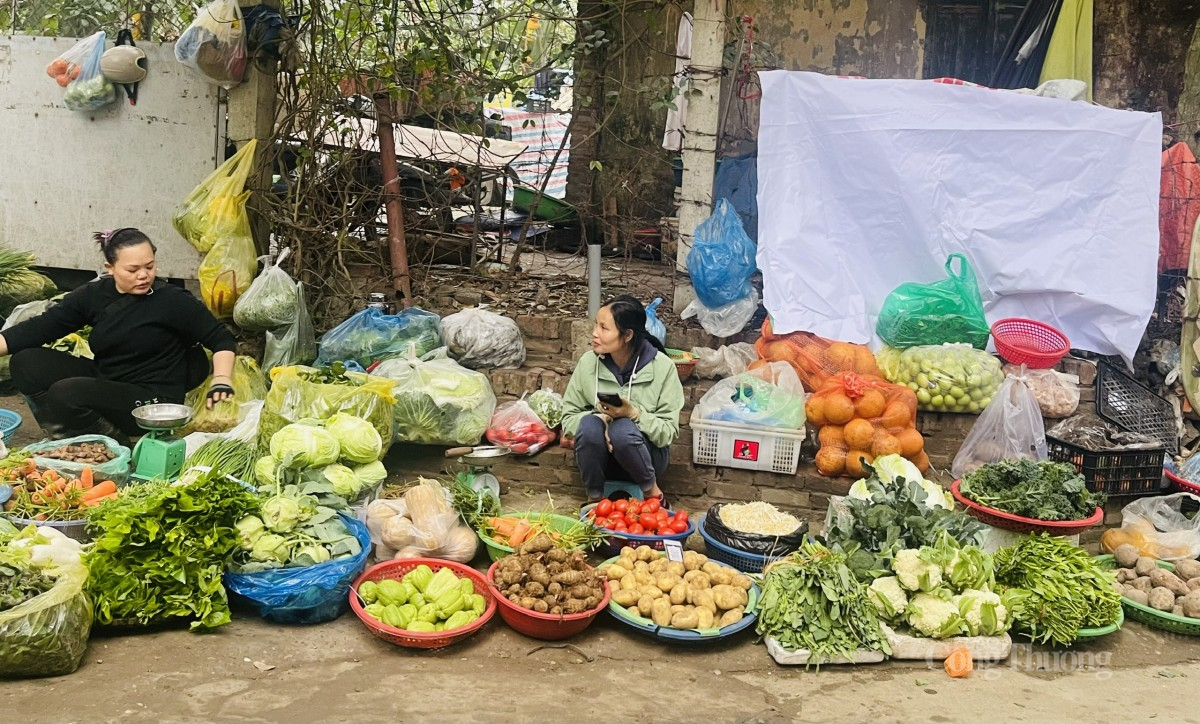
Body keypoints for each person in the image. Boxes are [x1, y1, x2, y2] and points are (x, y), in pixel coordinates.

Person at [0, 228, 238, 440]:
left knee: (67, 393)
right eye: (133, 270)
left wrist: (222, 379)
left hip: (152, 398)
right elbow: (41, 327)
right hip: (110, 380)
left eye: (150, 266)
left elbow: (220, 338)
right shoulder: (94, 295)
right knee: (26, 362)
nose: (143, 275)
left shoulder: (172, 300)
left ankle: (116, 447)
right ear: (110, 268)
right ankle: (67, 436)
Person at [561, 295, 685, 506]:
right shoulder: (588, 363)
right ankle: (594, 499)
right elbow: (568, 419)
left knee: (623, 429)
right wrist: (602, 418)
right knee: (591, 425)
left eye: (604, 328)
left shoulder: (662, 367)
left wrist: (633, 415)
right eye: (595, 325)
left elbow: (668, 433)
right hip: (600, 461)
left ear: (627, 335)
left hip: (646, 460)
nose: (594, 333)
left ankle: (653, 495)